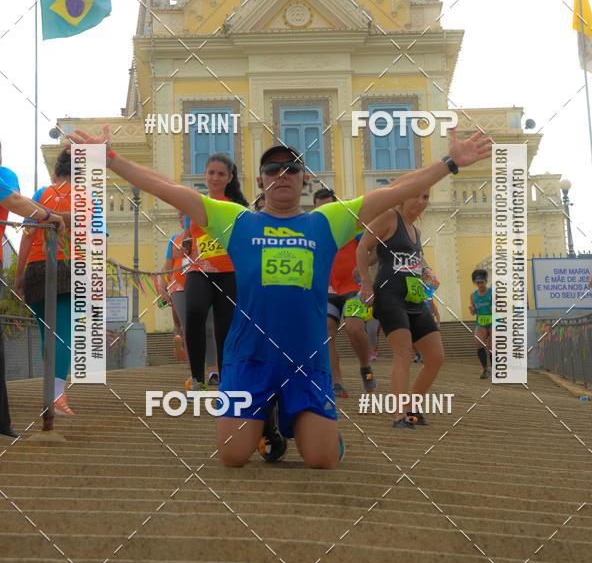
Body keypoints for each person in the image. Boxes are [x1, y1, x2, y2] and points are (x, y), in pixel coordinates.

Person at [65, 123, 492, 468]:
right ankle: (267, 420)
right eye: (273, 170)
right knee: (233, 457)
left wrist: (451, 162)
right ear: (260, 181)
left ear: (305, 179)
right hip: (248, 359)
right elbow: (166, 188)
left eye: (292, 168)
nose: (282, 175)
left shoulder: (328, 222)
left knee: (323, 460)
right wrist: (114, 159)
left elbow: (398, 190)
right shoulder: (235, 220)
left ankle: (308, 422)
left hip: (307, 363)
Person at [357, 192, 443, 429]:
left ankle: (412, 407)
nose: (421, 201)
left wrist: (428, 271)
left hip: (413, 296)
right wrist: (365, 282)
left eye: (426, 197)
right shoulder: (389, 217)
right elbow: (363, 246)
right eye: (417, 195)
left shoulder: (415, 230)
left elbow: (417, 259)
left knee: (436, 357)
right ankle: (398, 415)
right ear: (403, 198)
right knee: (403, 352)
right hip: (388, 294)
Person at [0, 159, 65, 438]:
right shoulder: (6, 177)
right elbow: (14, 200)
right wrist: (50, 216)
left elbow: (17, 204)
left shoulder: (12, 180)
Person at [15, 149, 75, 416]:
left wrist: (19, 277)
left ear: (56, 172)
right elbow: (99, 238)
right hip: (67, 267)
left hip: (36, 270)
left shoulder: (41, 195)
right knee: (62, 333)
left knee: (45, 334)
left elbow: (27, 236)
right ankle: (57, 395)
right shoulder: (87, 198)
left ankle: (52, 392)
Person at [184, 153, 248, 390]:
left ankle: (226, 379)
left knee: (225, 327)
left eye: (221, 174)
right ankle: (197, 378)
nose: (215, 177)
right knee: (194, 312)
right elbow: (190, 235)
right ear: (205, 175)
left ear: (230, 177)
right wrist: (187, 244)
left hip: (229, 272)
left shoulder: (238, 208)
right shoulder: (197, 203)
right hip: (199, 270)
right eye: (211, 172)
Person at [313, 187, 375, 398]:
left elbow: (374, 249)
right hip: (327, 291)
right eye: (321, 209)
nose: (326, 212)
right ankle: (336, 381)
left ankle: (365, 365)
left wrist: (363, 269)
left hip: (354, 289)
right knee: (326, 332)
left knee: (354, 328)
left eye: (330, 207)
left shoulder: (352, 228)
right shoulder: (312, 232)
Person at [159, 212, 189, 361]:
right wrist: (162, 287)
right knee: (178, 320)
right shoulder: (174, 240)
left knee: (189, 322)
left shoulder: (201, 237)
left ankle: (187, 350)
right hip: (176, 285)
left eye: (183, 215)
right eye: (180, 215)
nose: (180, 218)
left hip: (197, 283)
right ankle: (179, 348)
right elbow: (167, 265)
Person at [469, 268, 493, 379]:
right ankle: (485, 369)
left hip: (493, 322)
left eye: (482, 282)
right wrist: (472, 309)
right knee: (478, 343)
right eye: (477, 283)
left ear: (486, 281)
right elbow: (473, 313)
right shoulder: (473, 295)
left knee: (492, 346)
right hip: (481, 323)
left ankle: (495, 369)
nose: (480, 285)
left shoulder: (492, 292)